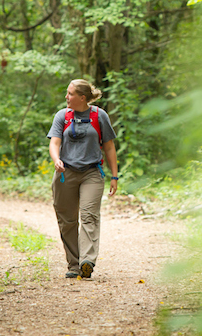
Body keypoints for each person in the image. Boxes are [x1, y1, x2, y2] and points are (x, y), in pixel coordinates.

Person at [47, 79, 118, 279]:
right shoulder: (62, 115)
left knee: (89, 215)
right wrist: (56, 159)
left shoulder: (99, 115)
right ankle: (74, 264)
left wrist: (114, 175)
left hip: (92, 173)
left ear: (82, 97)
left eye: (70, 94)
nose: (66, 97)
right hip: (65, 173)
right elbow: (55, 142)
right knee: (67, 220)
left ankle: (87, 260)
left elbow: (110, 147)